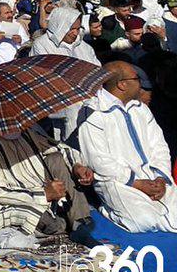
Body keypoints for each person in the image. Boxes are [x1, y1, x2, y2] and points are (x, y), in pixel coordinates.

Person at [76, 61, 177, 232]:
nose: (141, 83)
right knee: (144, 221)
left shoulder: (141, 109)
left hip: (153, 177)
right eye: (136, 79)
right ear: (122, 84)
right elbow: (98, 160)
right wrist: (136, 183)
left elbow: (160, 146)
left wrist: (160, 178)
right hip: (119, 182)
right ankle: (110, 210)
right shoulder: (93, 112)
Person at [0, 128, 98, 247]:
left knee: (56, 158)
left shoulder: (27, 133)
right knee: (50, 222)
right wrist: (44, 194)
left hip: (43, 190)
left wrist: (77, 167)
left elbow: (59, 147)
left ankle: (79, 222)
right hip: (11, 202)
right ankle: (59, 224)